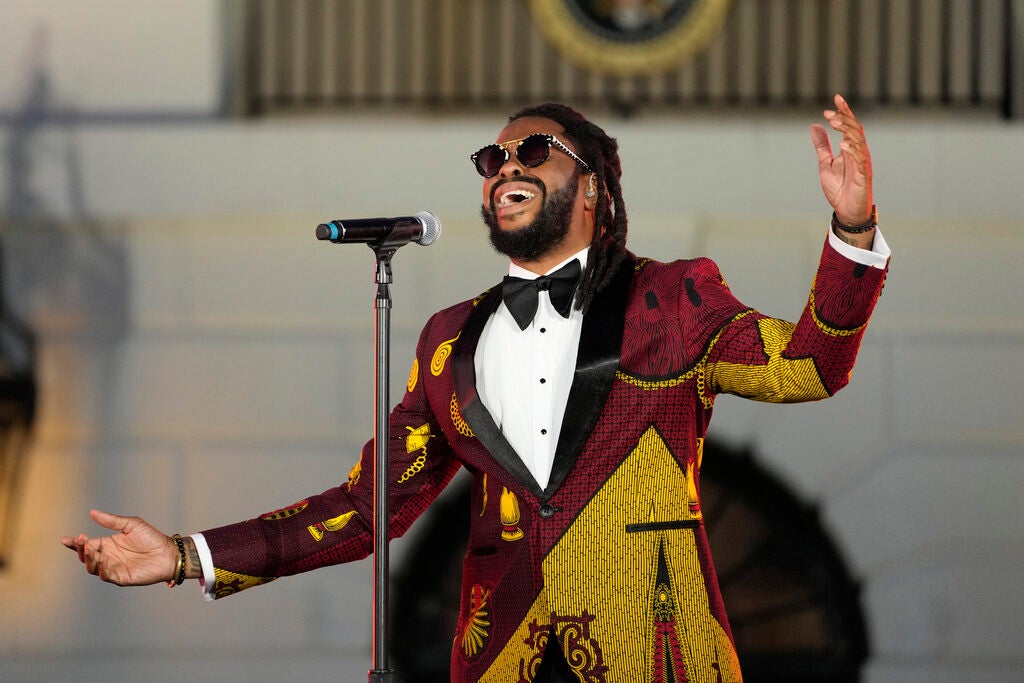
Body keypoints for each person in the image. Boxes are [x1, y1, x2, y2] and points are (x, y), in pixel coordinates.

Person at [62, 95, 890, 682]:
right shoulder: (447, 343)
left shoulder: (670, 299)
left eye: (532, 152)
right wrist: (184, 556)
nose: (504, 167)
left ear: (594, 187)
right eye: (492, 159)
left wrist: (852, 232)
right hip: (503, 654)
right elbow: (365, 507)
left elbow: (809, 366)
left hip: (656, 650)